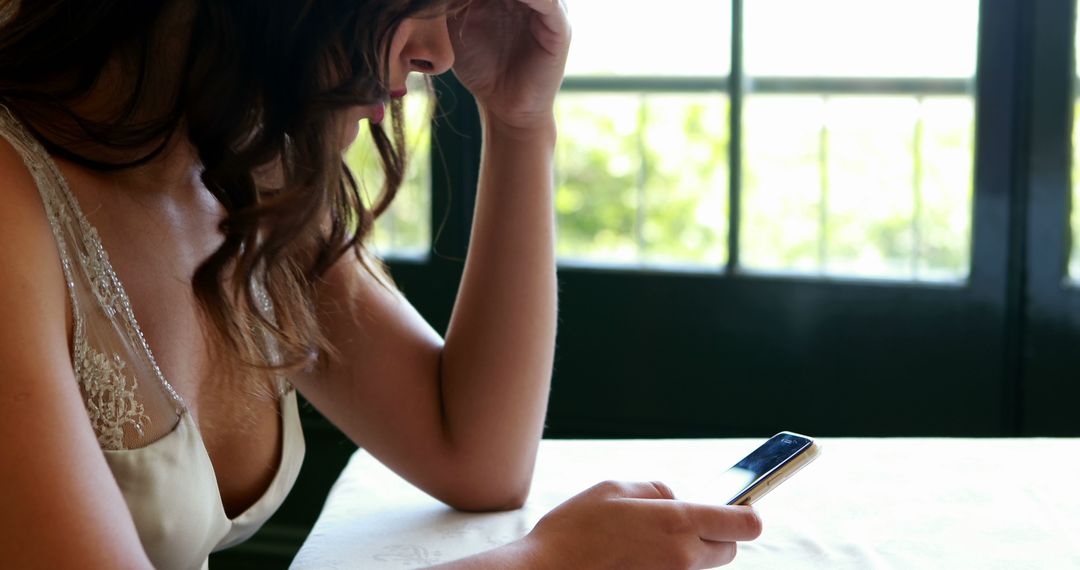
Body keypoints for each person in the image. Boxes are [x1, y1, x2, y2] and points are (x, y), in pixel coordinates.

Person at [0, 0, 762, 568]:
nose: (437, 50)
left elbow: (475, 455)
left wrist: (521, 123)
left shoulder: (248, 174)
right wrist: (540, 562)